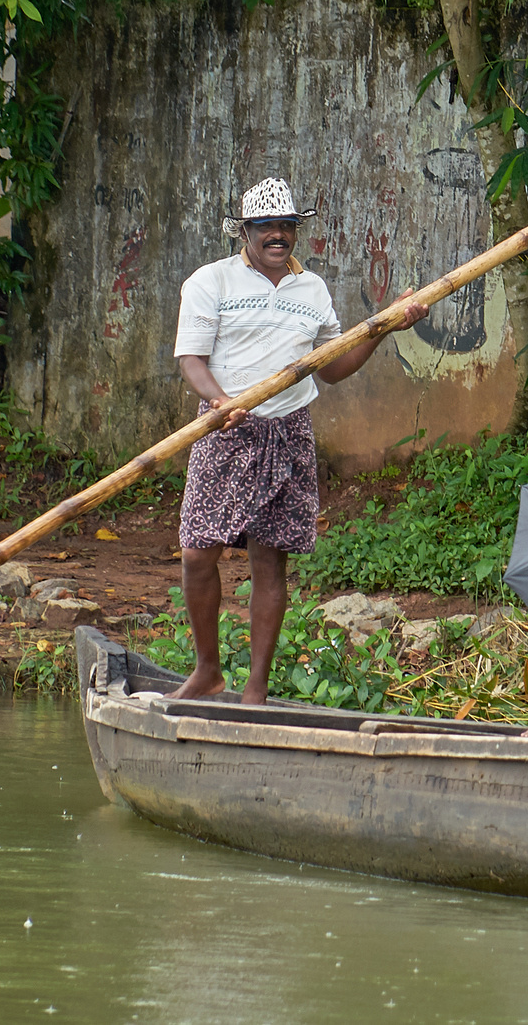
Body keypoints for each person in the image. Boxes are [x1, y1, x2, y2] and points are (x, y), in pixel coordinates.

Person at [172, 177, 418, 704]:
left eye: (287, 226)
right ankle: (208, 671)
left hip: (288, 431)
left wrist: (382, 329)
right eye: (267, 227)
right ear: (245, 232)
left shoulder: (312, 291)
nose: (278, 236)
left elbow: (330, 370)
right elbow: (192, 359)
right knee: (197, 553)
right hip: (224, 428)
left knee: (270, 560)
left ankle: (255, 688)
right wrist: (219, 403)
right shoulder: (210, 282)